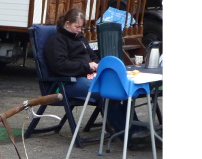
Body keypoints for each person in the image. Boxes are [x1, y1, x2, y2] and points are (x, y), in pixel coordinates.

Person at [43, 8, 148, 143]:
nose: (80, 30)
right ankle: (127, 135)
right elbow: (60, 66)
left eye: (81, 27)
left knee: (120, 88)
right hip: (67, 82)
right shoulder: (57, 41)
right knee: (107, 92)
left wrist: (97, 68)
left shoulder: (81, 39)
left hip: (87, 77)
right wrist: (87, 67)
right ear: (67, 23)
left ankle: (135, 128)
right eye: (77, 27)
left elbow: (94, 58)